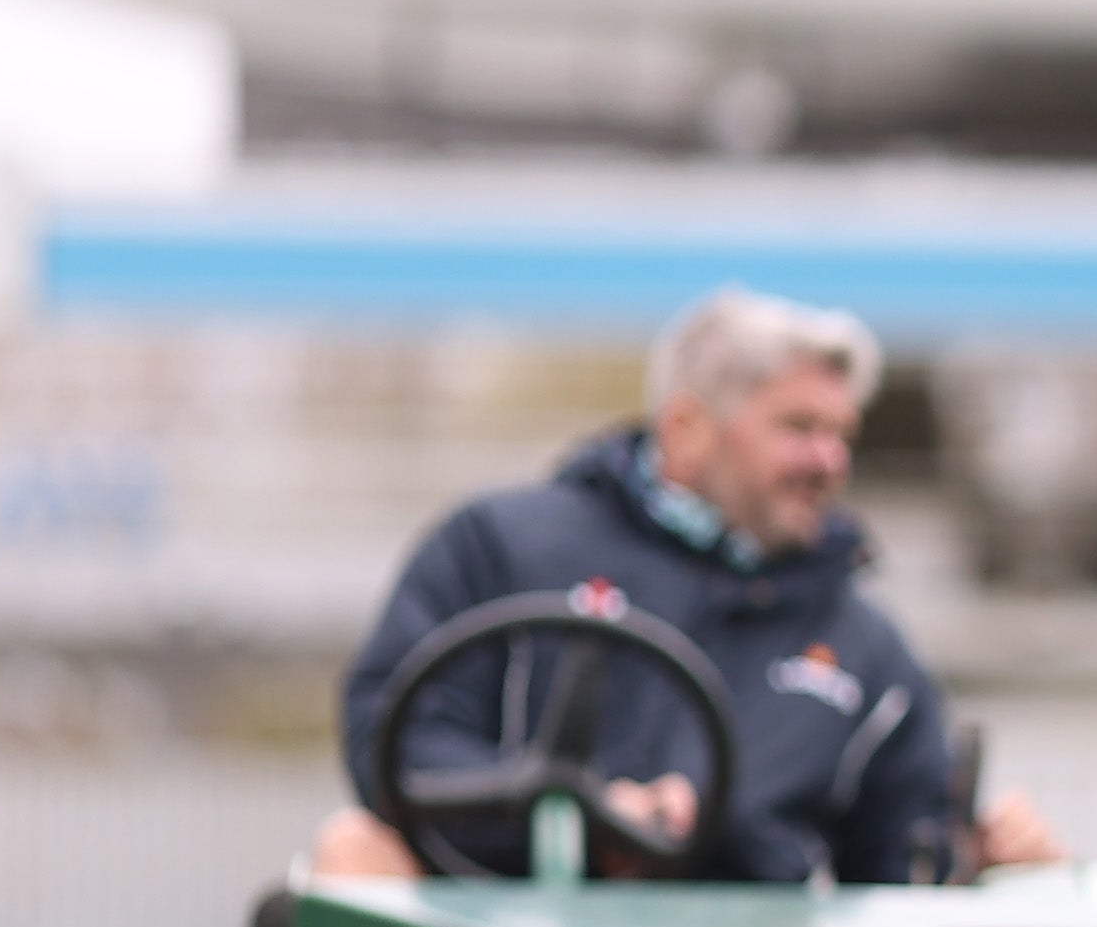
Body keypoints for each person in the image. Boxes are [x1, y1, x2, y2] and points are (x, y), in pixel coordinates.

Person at [305, 286, 1057, 887]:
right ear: (689, 428)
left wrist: (981, 856)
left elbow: (903, 858)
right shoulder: (504, 548)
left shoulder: (863, 645)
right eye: (798, 427)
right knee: (354, 851)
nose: (829, 460)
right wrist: (578, 811)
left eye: (841, 435)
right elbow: (397, 738)